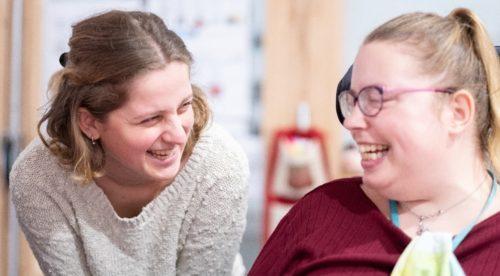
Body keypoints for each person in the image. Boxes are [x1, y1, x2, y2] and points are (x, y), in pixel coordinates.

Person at [249, 7, 500, 275]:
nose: (351, 122)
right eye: (352, 101)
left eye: (375, 98)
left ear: (457, 112)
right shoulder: (321, 213)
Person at [10, 10, 249, 275]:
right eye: (151, 119)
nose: (179, 136)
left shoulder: (218, 165)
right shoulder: (39, 178)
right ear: (89, 123)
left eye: (184, 106)